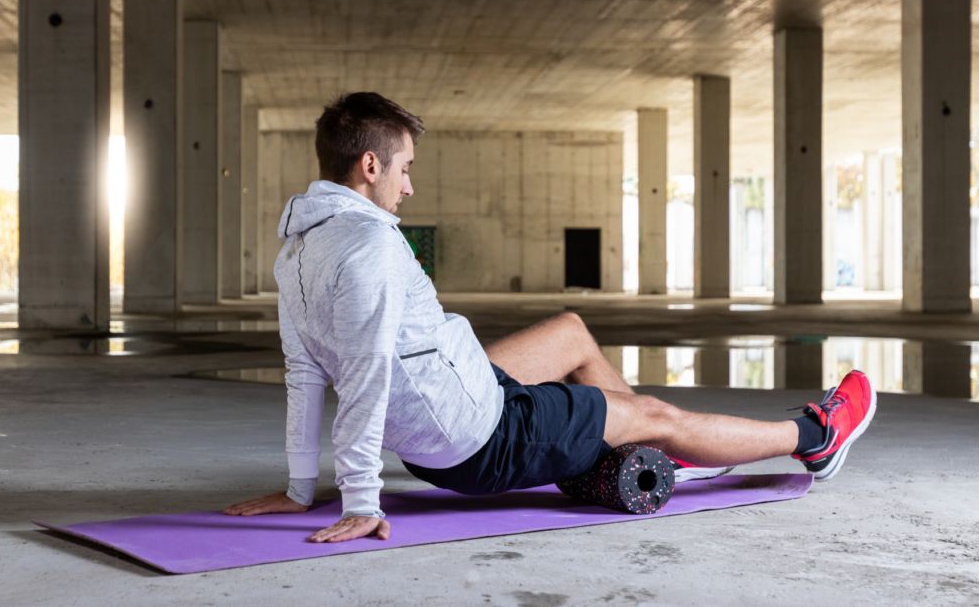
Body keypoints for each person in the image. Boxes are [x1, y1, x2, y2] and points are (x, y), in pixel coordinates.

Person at [225, 92, 876, 543]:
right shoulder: (370, 244)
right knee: (656, 413)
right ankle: (813, 437)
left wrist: (301, 486)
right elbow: (363, 373)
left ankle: (655, 450)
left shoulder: (300, 250)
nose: (409, 186)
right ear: (370, 166)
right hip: (479, 436)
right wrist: (361, 501)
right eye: (404, 169)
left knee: (570, 331)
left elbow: (305, 373)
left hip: (453, 389)